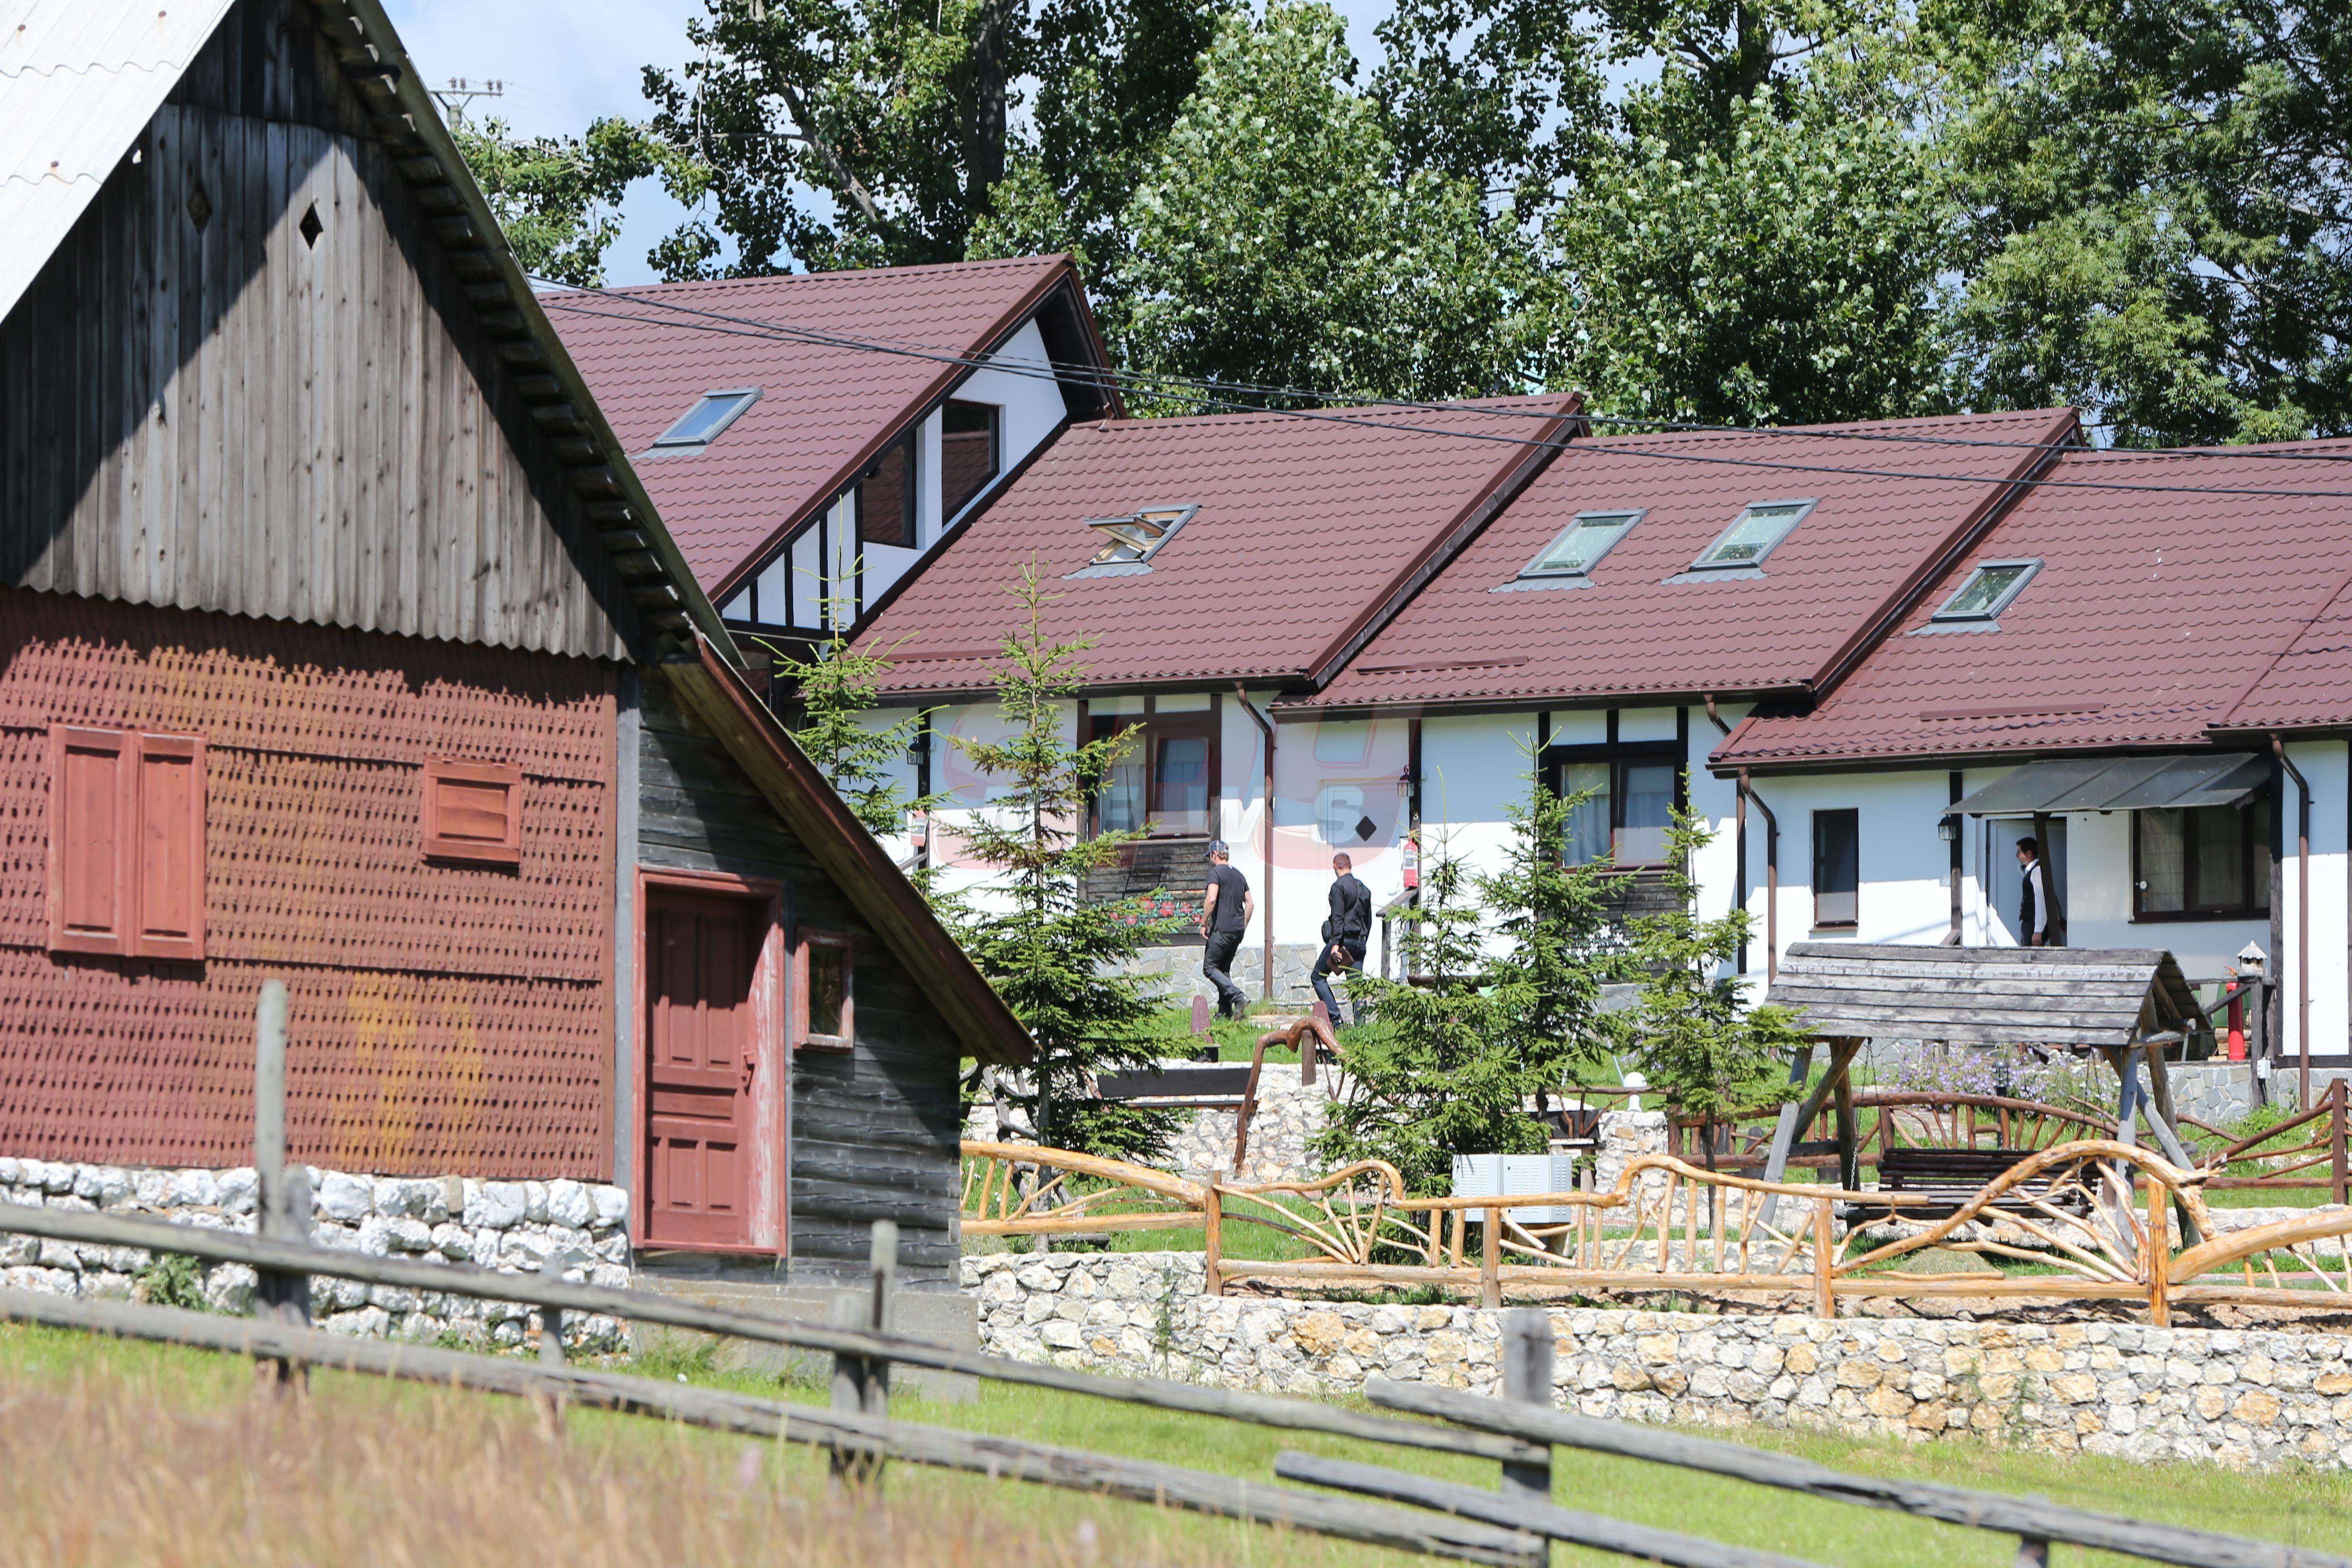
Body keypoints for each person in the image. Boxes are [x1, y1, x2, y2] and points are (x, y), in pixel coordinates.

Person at [1311, 853, 1372, 1027]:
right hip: (1360, 944)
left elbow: (1338, 918)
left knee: (1318, 977)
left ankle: (1336, 1020)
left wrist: (1335, 945)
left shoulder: (1339, 888)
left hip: (1343, 945)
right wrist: (1363, 941)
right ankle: (1361, 1026)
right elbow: (1368, 921)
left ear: (1335, 866)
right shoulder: (1364, 889)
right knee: (1356, 986)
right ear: (1350, 866)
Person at [1199, 840, 1253, 1019]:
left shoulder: (1215, 873)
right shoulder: (1239, 875)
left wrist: (1203, 922)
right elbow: (1251, 905)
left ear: (1215, 854)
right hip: (1237, 930)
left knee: (1209, 967)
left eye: (1211, 857)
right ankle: (1225, 1011)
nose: (1211, 861)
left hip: (1222, 929)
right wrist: (1242, 926)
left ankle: (1239, 997)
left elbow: (1211, 899)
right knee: (1223, 969)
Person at [2016, 836, 2065, 946]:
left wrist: (2038, 930)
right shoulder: (2033, 870)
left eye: (2019, 852)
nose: (2017, 856)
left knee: (2031, 955)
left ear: (2029, 854)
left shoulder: (2037, 871)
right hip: (2032, 922)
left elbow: (2041, 899)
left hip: (2033, 922)